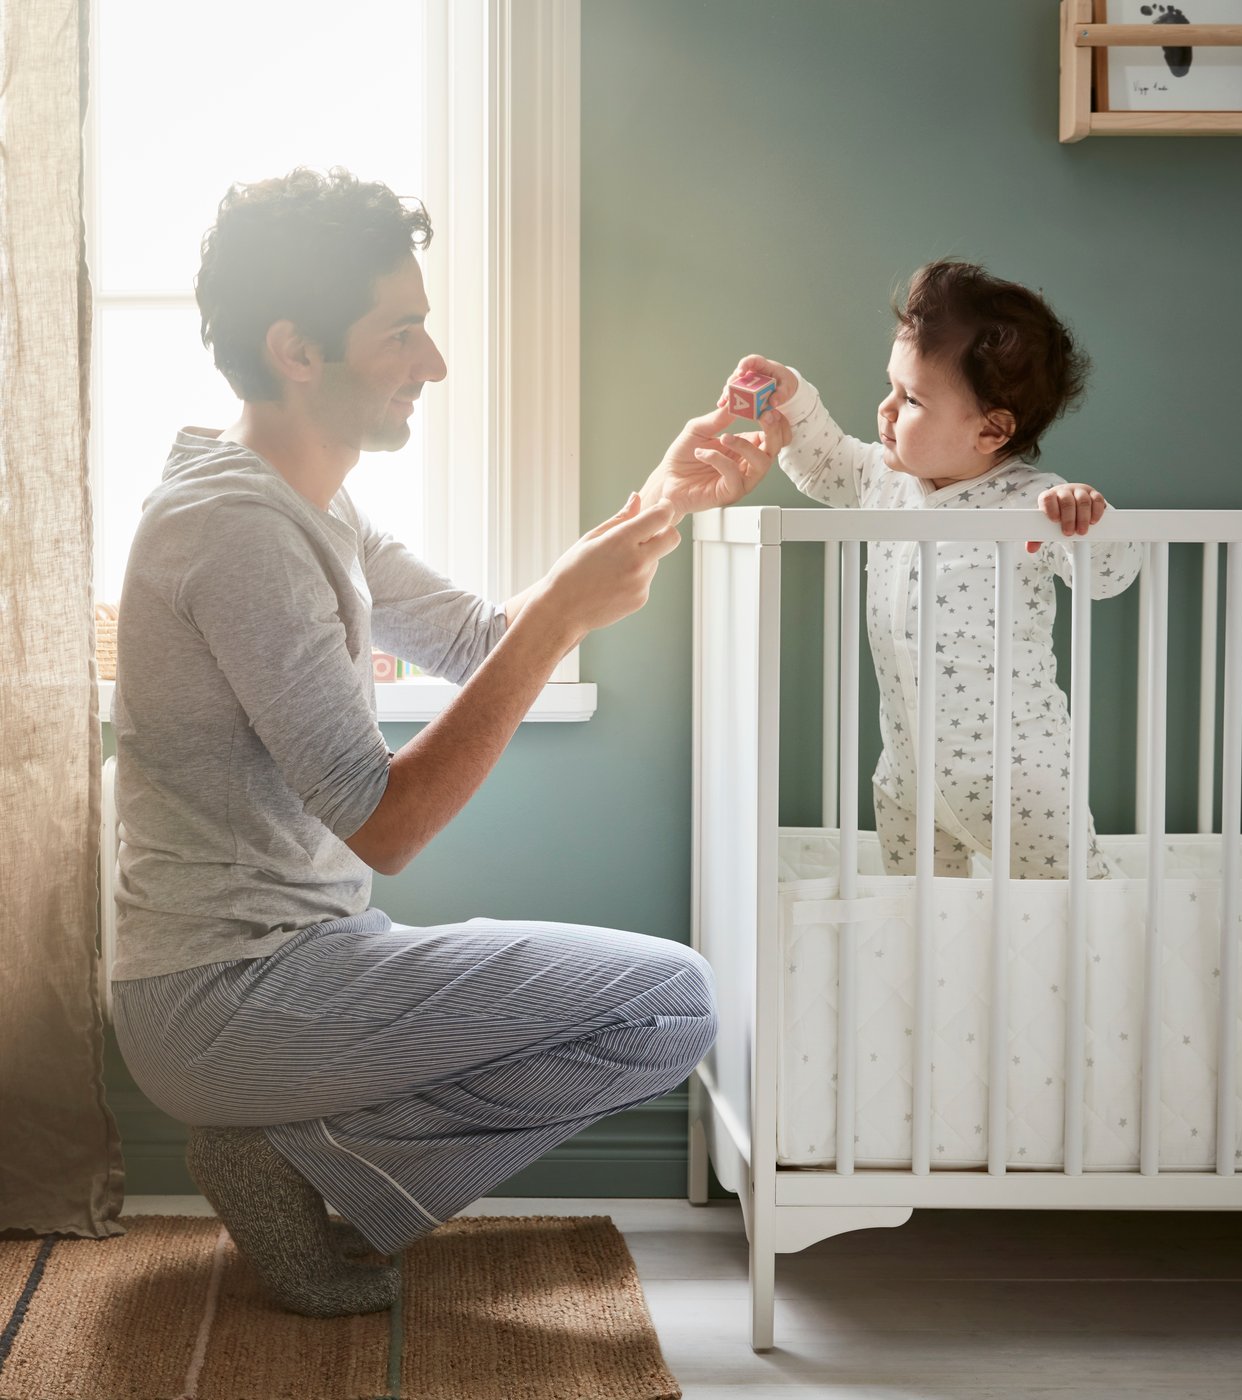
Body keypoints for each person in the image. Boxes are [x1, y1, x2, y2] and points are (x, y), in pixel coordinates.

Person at [109, 167, 788, 1318]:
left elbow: (481, 638)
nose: (433, 363)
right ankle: (293, 1154)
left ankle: (289, 1152)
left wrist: (655, 502)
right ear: (298, 349)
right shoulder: (234, 531)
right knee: (670, 1002)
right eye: (404, 330)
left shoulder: (307, 501)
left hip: (293, 962)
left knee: (672, 1005)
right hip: (219, 995)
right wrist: (566, 614)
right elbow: (390, 817)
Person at [717, 260, 1141, 880]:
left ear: (991, 430)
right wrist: (794, 398)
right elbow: (826, 459)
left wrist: (1087, 519)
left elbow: (1109, 575)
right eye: (891, 387)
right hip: (908, 777)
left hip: (1018, 777)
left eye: (911, 399)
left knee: (1072, 915)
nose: (886, 411)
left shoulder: (1032, 504)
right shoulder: (884, 480)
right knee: (920, 933)